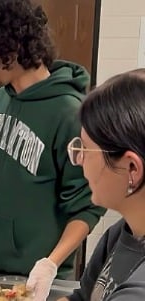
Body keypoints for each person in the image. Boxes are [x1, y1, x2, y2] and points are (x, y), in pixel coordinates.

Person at [0, 0, 106, 299]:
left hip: (31, 278)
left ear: (9, 52)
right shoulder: (1, 97)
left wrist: (49, 264)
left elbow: (87, 207)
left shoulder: (69, 113)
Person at [60, 69, 145, 301]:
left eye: (85, 150)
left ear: (132, 168)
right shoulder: (122, 232)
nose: (79, 161)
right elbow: (83, 297)